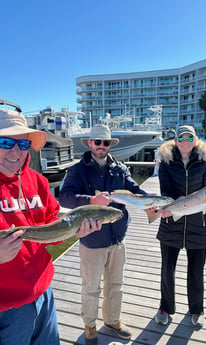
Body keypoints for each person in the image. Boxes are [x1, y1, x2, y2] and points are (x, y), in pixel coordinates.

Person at [0, 109, 101, 345]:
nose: (15, 151)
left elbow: (51, 233)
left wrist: (75, 231)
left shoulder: (37, 180)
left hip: (43, 297)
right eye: (6, 142)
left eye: (23, 143)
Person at [59, 124, 147, 345]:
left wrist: (154, 201)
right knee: (91, 287)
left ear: (110, 145)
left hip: (118, 237)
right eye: (97, 142)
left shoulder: (120, 168)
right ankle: (90, 325)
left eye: (105, 142)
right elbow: (65, 198)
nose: (101, 146)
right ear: (90, 143)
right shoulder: (78, 170)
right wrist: (90, 200)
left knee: (116, 283)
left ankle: (112, 320)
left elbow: (135, 190)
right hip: (91, 240)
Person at [155, 125, 206, 328]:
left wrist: (200, 205)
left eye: (190, 137)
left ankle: (197, 309)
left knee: (196, 270)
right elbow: (166, 191)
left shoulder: (205, 163)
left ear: (195, 140)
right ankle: (165, 307)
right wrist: (170, 209)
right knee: (167, 269)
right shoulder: (166, 163)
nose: (186, 141)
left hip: (199, 225)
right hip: (171, 223)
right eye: (182, 137)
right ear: (176, 140)